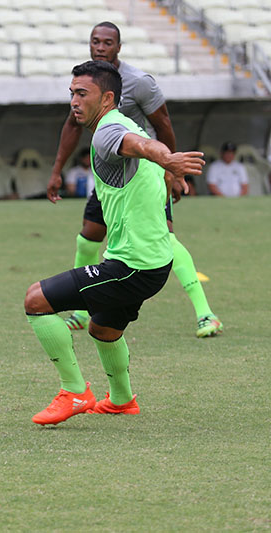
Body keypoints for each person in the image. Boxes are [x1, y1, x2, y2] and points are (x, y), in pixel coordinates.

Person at [25, 60, 205, 426]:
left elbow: (138, 145)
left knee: (36, 300)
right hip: (153, 261)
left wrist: (167, 159)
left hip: (132, 267)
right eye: (71, 93)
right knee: (103, 329)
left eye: (82, 94)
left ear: (106, 98)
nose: (73, 101)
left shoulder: (109, 132)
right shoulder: (124, 122)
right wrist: (167, 166)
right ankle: (122, 400)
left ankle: (74, 391)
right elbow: (145, 143)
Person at [46, 22, 222, 339]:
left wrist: (170, 166)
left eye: (107, 42)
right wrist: (57, 169)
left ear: (119, 47)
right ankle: (81, 311)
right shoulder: (85, 83)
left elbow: (163, 124)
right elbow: (72, 126)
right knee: (87, 238)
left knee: (163, 238)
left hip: (144, 173)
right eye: (95, 41)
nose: (100, 47)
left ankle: (205, 312)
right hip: (110, 176)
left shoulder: (139, 82)